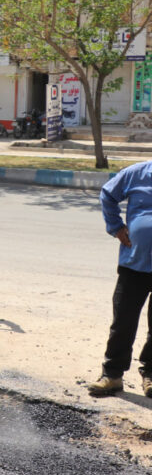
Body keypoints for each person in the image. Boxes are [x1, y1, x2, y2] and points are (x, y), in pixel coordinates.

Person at [87, 160, 152, 398]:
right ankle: (113, 375)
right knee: (123, 321)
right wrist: (116, 226)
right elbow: (108, 194)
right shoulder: (137, 173)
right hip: (134, 263)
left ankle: (151, 374)